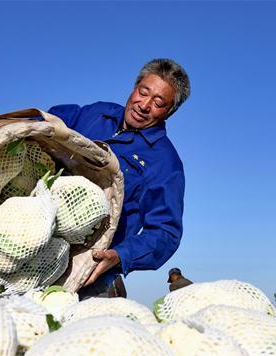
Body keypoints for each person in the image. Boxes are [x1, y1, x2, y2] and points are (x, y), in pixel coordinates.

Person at [48, 59, 190, 298]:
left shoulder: (165, 163)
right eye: (143, 92)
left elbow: (166, 232)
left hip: (88, 274)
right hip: (39, 237)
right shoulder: (98, 113)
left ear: (169, 112)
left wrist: (121, 255)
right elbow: (52, 120)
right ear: (134, 88)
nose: (144, 105)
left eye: (158, 103)